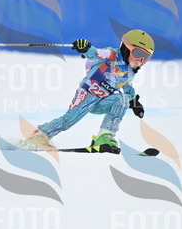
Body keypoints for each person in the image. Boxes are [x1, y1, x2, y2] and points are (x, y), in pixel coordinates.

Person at [21, 29, 154, 152]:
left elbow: (128, 87)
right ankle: (38, 137)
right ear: (125, 48)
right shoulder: (111, 54)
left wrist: (134, 103)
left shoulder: (130, 72)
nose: (140, 61)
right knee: (68, 121)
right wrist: (85, 48)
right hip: (86, 95)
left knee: (122, 99)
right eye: (138, 54)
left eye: (145, 58)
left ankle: (104, 137)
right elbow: (95, 53)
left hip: (103, 101)